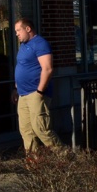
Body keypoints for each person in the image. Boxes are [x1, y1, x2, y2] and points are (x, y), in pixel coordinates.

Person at [14, 16, 62, 149]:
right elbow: (22, 66)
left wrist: (40, 91)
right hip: (23, 94)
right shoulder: (23, 46)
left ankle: (65, 159)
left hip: (36, 93)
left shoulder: (40, 44)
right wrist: (16, 89)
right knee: (26, 131)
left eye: (18, 30)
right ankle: (34, 164)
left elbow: (47, 68)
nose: (16, 34)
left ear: (28, 29)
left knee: (41, 129)